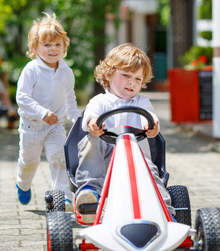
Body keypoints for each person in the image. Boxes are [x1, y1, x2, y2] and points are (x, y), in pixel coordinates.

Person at [74, 43, 174, 223]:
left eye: (137, 79)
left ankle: (166, 212)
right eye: (126, 75)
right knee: (91, 140)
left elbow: (150, 116)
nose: (131, 82)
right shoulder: (100, 101)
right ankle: (90, 194)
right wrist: (93, 123)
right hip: (104, 160)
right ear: (109, 74)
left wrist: (151, 125)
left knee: (152, 174)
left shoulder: (141, 102)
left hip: (137, 159)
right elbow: (91, 115)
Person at [15, 13, 80, 209]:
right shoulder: (31, 70)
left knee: (59, 159)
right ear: (35, 48)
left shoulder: (66, 72)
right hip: (31, 126)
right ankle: (22, 183)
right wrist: (42, 112)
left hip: (56, 126)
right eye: (47, 45)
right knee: (29, 162)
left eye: (57, 44)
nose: (53, 49)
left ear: (64, 47)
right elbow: (22, 98)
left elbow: (70, 98)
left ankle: (63, 196)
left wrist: (77, 119)